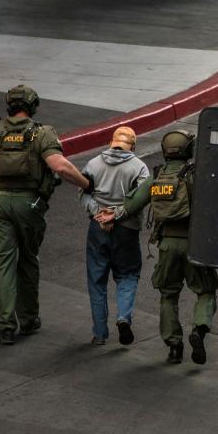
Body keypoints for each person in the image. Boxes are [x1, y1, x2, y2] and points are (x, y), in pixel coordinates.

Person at [0, 85, 94, 345]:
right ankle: (29, 319)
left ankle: (6, 325)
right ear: (33, 107)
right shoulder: (43, 134)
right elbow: (60, 167)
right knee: (28, 260)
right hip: (30, 206)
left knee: (2, 264)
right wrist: (86, 185)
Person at [97, 130, 218, 365]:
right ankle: (199, 330)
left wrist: (111, 215)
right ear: (189, 150)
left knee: (168, 295)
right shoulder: (197, 176)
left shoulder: (157, 177)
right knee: (205, 290)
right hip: (194, 244)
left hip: (166, 245)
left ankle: (174, 347)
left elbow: (131, 204)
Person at [78, 126, 150, 346]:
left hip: (97, 229)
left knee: (96, 280)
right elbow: (142, 197)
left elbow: (83, 193)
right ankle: (123, 317)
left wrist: (99, 215)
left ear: (111, 142)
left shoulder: (92, 164)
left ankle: (100, 334)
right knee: (127, 275)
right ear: (133, 146)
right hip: (126, 230)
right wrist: (117, 216)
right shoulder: (139, 167)